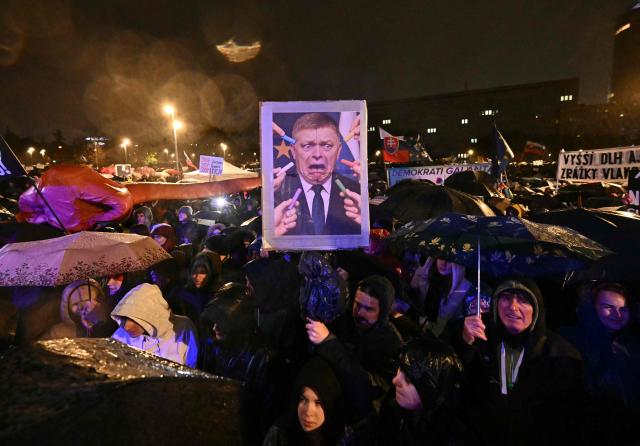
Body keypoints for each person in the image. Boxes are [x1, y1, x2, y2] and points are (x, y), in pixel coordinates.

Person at [457, 277, 585, 446]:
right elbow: (460, 389)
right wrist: (465, 344)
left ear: (537, 309)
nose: (513, 306)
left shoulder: (561, 356)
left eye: (523, 300)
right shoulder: (480, 338)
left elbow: (566, 419)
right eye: (505, 297)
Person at [306, 275, 404, 419]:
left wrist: (329, 342)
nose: (360, 313)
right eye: (357, 304)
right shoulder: (346, 319)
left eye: (369, 309)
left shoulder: (392, 345)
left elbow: (369, 389)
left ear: (383, 312)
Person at [560, 282, 640, 444]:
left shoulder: (631, 346)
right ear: (591, 308)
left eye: (623, 309)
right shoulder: (569, 340)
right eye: (608, 307)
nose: (617, 314)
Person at [200, 283, 279, 443]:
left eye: (223, 322)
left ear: (239, 322)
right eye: (215, 321)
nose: (215, 327)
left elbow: (266, 412)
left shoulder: (262, 357)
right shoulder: (213, 345)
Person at [273, 113, 361, 236]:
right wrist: (270, 238)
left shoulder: (357, 195)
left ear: (339, 151)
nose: (317, 154)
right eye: (307, 146)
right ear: (293, 151)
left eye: (327, 145)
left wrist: (366, 227)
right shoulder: (275, 196)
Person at [377, 335, 473, 446]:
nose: (395, 380)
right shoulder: (394, 404)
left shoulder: (440, 438)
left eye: (408, 379)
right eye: (400, 369)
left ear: (432, 391)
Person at [263, 356, 349, 446]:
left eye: (318, 403)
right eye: (303, 399)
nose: (308, 412)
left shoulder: (345, 439)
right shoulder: (280, 434)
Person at [111, 283, 198, 367]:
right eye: (123, 318)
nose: (126, 326)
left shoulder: (182, 327)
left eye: (132, 319)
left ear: (150, 315)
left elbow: (192, 365)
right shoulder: (120, 335)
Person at [410, 256, 490, 338]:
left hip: (441, 335)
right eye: (441, 257)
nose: (444, 263)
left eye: (450, 260)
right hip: (416, 325)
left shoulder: (462, 287)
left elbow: (445, 320)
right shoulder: (426, 272)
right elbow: (414, 296)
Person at [40, 279, 117, 339]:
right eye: (76, 304)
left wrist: (97, 325)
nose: (82, 306)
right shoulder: (57, 332)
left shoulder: (113, 323)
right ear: (67, 307)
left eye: (87, 300)